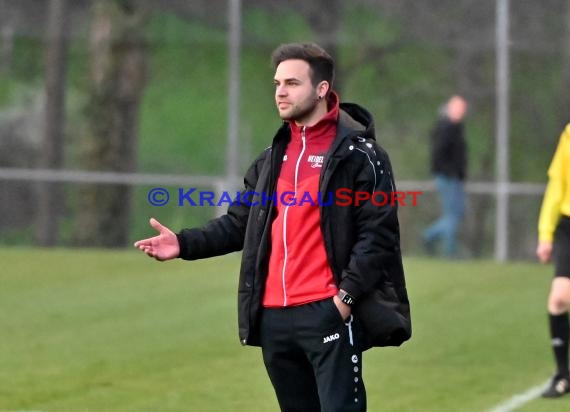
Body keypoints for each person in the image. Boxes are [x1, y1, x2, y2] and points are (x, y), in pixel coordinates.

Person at [134, 42, 410, 412]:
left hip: (327, 311)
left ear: (322, 89)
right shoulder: (271, 158)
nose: (281, 91)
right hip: (274, 318)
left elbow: (377, 237)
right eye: (278, 83)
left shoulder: (362, 156)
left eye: (292, 83)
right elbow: (239, 224)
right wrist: (183, 245)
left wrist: (344, 300)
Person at [536, 123, 570, 398]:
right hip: (568, 225)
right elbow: (557, 185)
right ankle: (562, 376)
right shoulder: (569, 134)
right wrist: (545, 234)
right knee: (559, 298)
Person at [422, 95, 468, 258]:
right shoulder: (446, 128)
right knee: (452, 215)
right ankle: (449, 251)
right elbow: (439, 154)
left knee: (456, 213)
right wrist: (450, 172)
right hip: (448, 177)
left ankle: (430, 236)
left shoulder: (455, 128)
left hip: (453, 177)